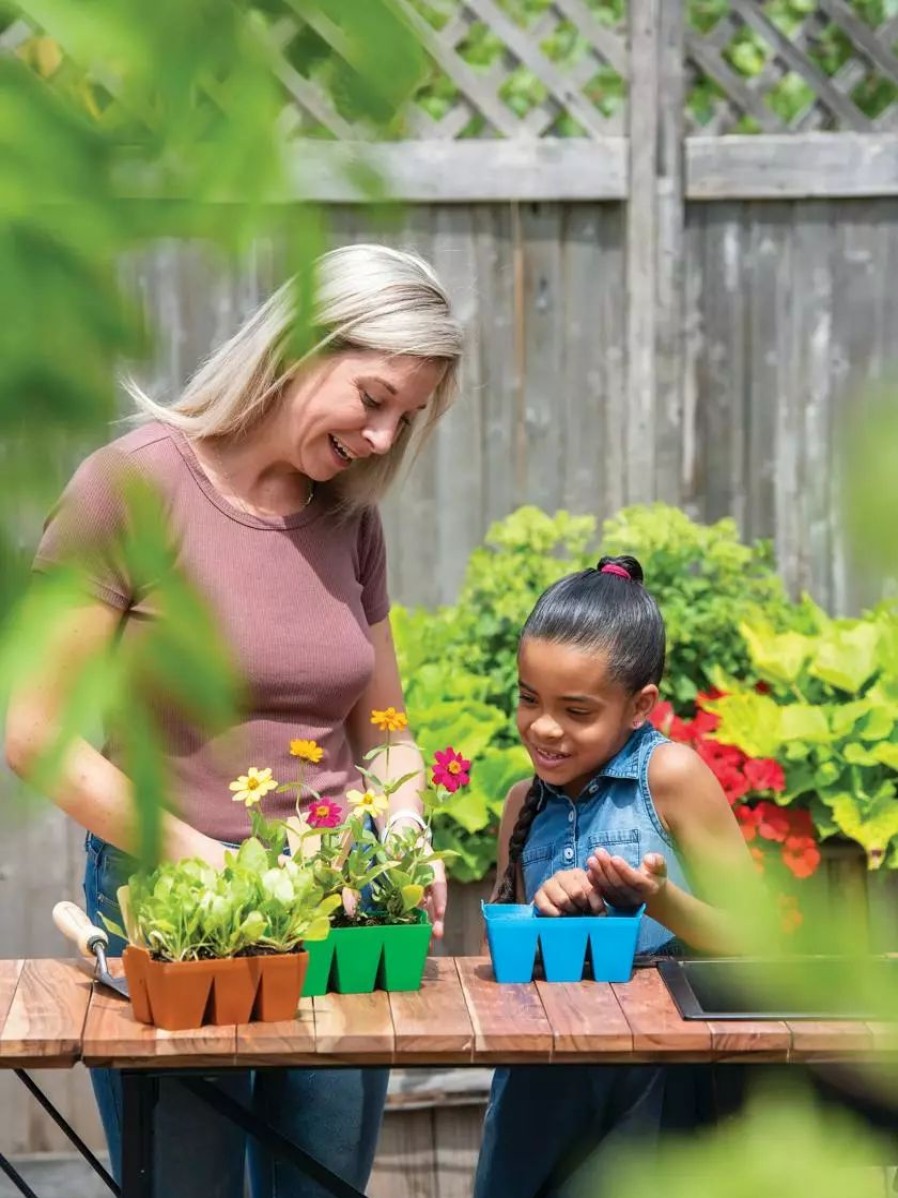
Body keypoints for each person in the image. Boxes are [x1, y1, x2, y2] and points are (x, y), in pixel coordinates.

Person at [5, 243, 464, 1198]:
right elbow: (32, 730)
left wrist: (406, 822)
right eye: (374, 399)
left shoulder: (352, 522)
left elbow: (383, 725)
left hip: (338, 923)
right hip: (176, 920)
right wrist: (201, 859)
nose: (383, 439)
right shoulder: (127, 489)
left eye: (406, 418)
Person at [473, 555, 758, 1198]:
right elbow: (504, 963)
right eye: (528, 700)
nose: (544, 728)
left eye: (576, 711)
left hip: (659, 1085)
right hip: (541, 1087)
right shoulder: (524, 803)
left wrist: (658, 901)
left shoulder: (671, 778)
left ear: (640, 706)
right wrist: (541, 917)